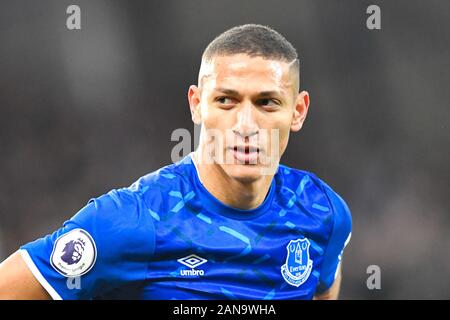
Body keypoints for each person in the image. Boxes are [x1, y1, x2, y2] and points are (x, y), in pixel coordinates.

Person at [0, 24, 351, 300]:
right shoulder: (131, 222)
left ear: (298, 110)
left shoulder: (322, 213)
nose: (246, 125)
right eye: (226, 100)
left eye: (267, 103)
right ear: (197, 105)